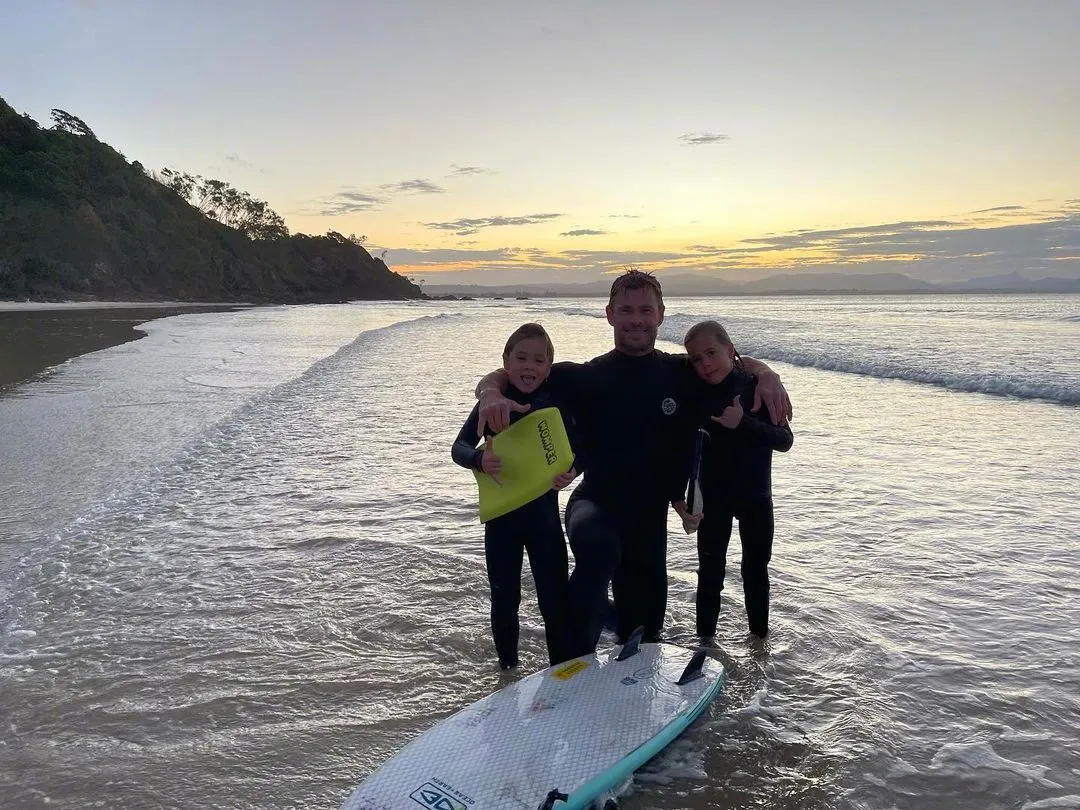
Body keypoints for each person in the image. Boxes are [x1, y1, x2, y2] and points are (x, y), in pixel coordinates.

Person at [475, 270, 792, 657]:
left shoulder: (681, 373)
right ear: (610, 314)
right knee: (601, 550)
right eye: (626, 310)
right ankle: (570, 663)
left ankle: (610, 623)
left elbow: (728, 365)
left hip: (648, 522)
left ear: (661, 315)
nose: (636, 319)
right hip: (595, 505)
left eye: (645, 310)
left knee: (644, 630)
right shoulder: (586, 376)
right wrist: (489, 391)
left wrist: (767, 373)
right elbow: (516, 371)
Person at [451, 323, 579, 669]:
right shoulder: (493, 404)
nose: (529, 366)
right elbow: (459, 447)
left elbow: (577, 447)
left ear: (548, 368)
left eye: (538, 360)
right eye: (521, 358)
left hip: (544, 521)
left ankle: (561, 669)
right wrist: (478, 459)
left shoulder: (553, 403)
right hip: (501, 521)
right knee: (505, 598)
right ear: (506, 362)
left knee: (554, 598)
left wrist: (572, 471)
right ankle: (507, 670)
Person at [675, 320, 793, 640]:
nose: (705, 363)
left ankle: (759, 645)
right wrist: (680, 495)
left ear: (730, 350)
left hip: (756, 499)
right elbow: (682, 448)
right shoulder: (693, 389)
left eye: (711, 353)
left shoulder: (756, 387)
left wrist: (743, 423)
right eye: (697, 359)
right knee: (709, 574)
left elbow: (785, 440)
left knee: (755, 572)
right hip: (712, 500)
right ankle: (705, 645)